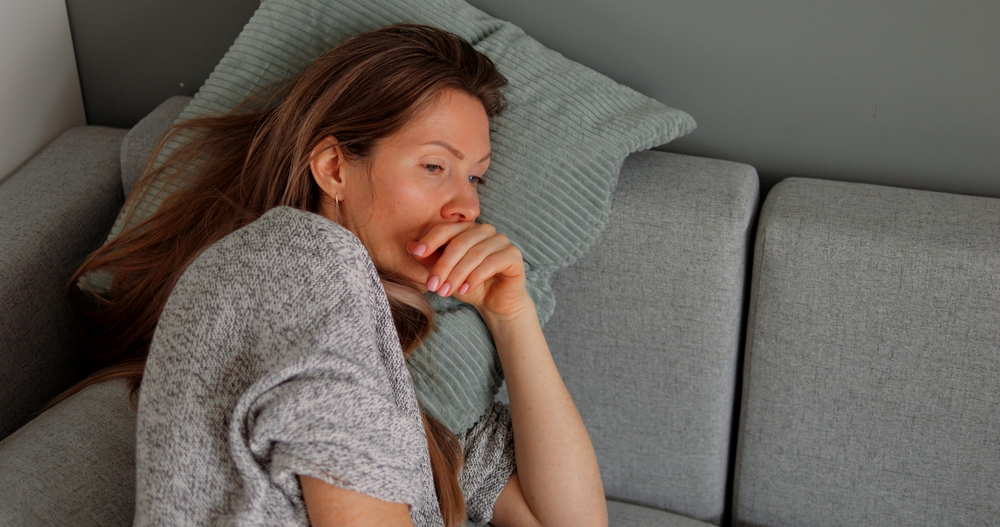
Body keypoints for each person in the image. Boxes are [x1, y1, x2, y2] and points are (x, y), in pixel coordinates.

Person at [66, 23, 606, 527]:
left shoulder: (389, 355)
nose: (467, 206)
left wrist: (512, 315)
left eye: (475, 178)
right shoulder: (299, 261)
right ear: (333, 169)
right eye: (434, 166)